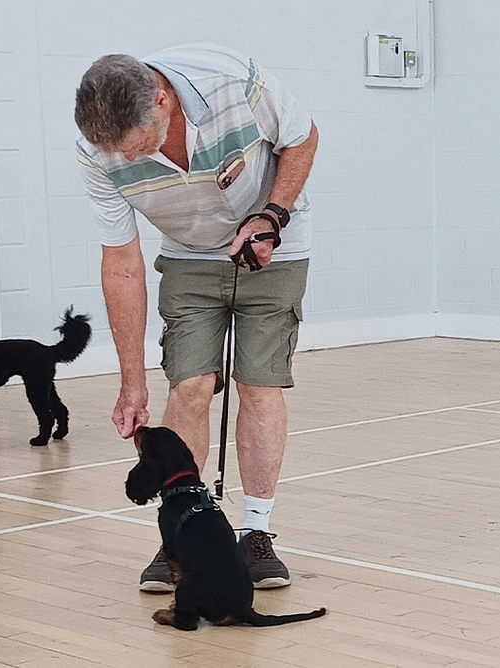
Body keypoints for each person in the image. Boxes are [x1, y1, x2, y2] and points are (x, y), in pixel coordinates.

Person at [74, 44, 318, 591]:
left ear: (161, 101)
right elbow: (122, 266)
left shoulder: (235, 81)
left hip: (272, 242)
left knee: (258, 384)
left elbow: (303, 139)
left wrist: (271, 214)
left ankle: (256, 534)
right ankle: (181, 531)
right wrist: (131, 383)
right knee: (188, 385)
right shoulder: (98, 152)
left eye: (138, 147)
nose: (130, 161)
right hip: (187, 255)